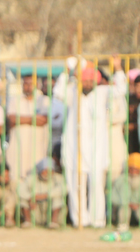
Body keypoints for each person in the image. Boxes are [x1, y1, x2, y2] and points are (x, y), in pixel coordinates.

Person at [54, 61, 127, 228]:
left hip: (97, 149)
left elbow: (121, 89)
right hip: (75, 148)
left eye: (90, 81)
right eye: (84, 80)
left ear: (96, 81)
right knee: (76, 185)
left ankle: (97, 220)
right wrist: (67, 70)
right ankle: (80, 219)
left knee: (97, 186)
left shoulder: (102, 92)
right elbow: (58, 91)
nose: (87, 84)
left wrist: (118, 68)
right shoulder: (72, 92)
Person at [5, 73, 51, 179]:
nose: (28, 86)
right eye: (26, 83)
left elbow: (43, 120)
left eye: (31, 84)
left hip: (37, 149)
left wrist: (20, 119)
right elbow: (12, 120)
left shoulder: (44, 100)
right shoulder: (14, 100)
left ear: (37, 85)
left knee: (35, 179)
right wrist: (34, 119)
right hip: (17, 148)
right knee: (17, 177)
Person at [20, 157, 66, 229]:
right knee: (23, 200)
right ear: (40, 170)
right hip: (36, 210)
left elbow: (64, 188)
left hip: (50, 209)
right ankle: (27, 222)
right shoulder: (32, 178)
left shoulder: (58, 178)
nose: (47, 173)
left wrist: (46, 195)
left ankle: (54, 222)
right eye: (45, 170)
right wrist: (30, 198)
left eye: (50, 171)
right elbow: (20, 189)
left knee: (58, 199)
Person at [103, 153, 140, 241]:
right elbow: (112, 198)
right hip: (124, 208)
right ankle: (123, 226)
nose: (133, 171)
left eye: (136, 169)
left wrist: (137, 204)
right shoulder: (121, 180)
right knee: (124, 209)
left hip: (138, 208)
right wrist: (126, 203)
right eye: (131, 168)